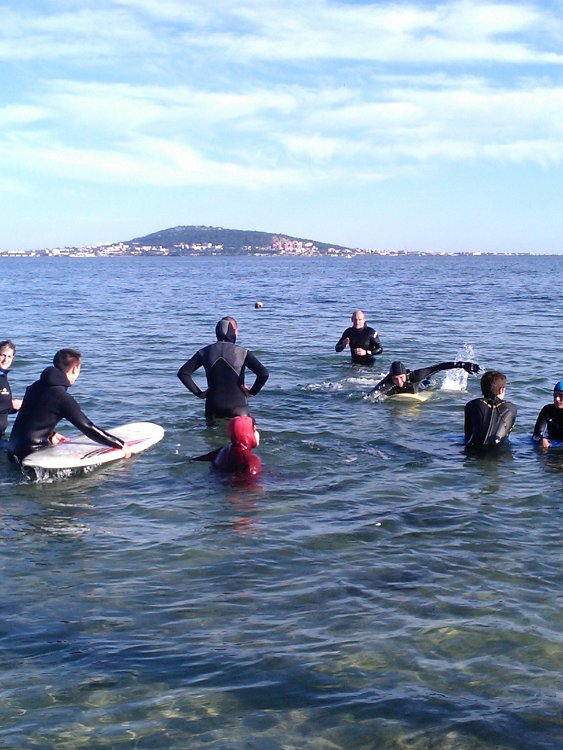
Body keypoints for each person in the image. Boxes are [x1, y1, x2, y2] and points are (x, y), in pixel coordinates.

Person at [7, 348, 131, 464]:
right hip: (33, 455)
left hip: (12, 450)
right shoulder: (62, 397)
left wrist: (51, 435)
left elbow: (32, 417)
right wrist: (120, 444)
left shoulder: (35, 386)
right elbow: (87, 427)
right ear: (74, 369)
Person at [177, 316, 269, 425]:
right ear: (233, 332)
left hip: (213, 406)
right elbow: (263, 374)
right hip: (238, 407)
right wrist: (252, 392)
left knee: (213, 435)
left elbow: (183, 373)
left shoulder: (204, 352)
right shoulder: (243, 352)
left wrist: (200, 394)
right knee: (244, 435)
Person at [193, 415, 261, 478]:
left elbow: (195, 460)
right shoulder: (252, 461)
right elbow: (248, 485)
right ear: (249, 433)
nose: (258, 433)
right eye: (255, 430)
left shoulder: (220, 451)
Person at [370, 359, 480, 397]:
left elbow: (439, 367)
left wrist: (462, 364)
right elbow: (372, 394)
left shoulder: (415, 375)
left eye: (401, 377)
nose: (399, 381)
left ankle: (428, 379)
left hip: (421, 387)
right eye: (395, 378)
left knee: (427, 383)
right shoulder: (388, 381)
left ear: (405, 375)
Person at [464, 370, 517, 449]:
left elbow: (467, 436)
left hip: (474, 448)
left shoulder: (471, 404)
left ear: (482, 388)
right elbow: (506, 435)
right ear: (501, 390)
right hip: (498, 450)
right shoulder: (512, 408)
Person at [532, 380, 563, 449]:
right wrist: (542, 439)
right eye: (555, 395)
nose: (557, 399)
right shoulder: (547, 410)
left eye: (561, 395)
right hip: (552, 443)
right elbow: (536, 434)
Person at [0, 339, 22, 438]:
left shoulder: (3, 377)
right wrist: (10, 404)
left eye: (9, 356)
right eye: (3, 355)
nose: (6, 360)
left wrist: (14, 408)